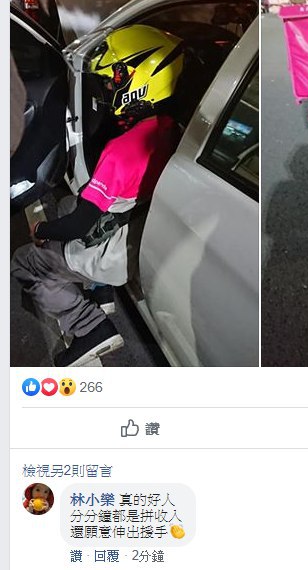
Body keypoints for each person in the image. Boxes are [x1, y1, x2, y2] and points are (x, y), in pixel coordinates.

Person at [11, 24, 185, 367]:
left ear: (140, 82)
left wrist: (41, 231)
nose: (107, 87)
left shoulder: (121, 151)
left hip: (116, 252)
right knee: (67, 202)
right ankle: (99, 291)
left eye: (112, 81)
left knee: (24, 261)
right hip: (140, 231)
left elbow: (78, 225)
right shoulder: (170, 128)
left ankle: (90, 327)